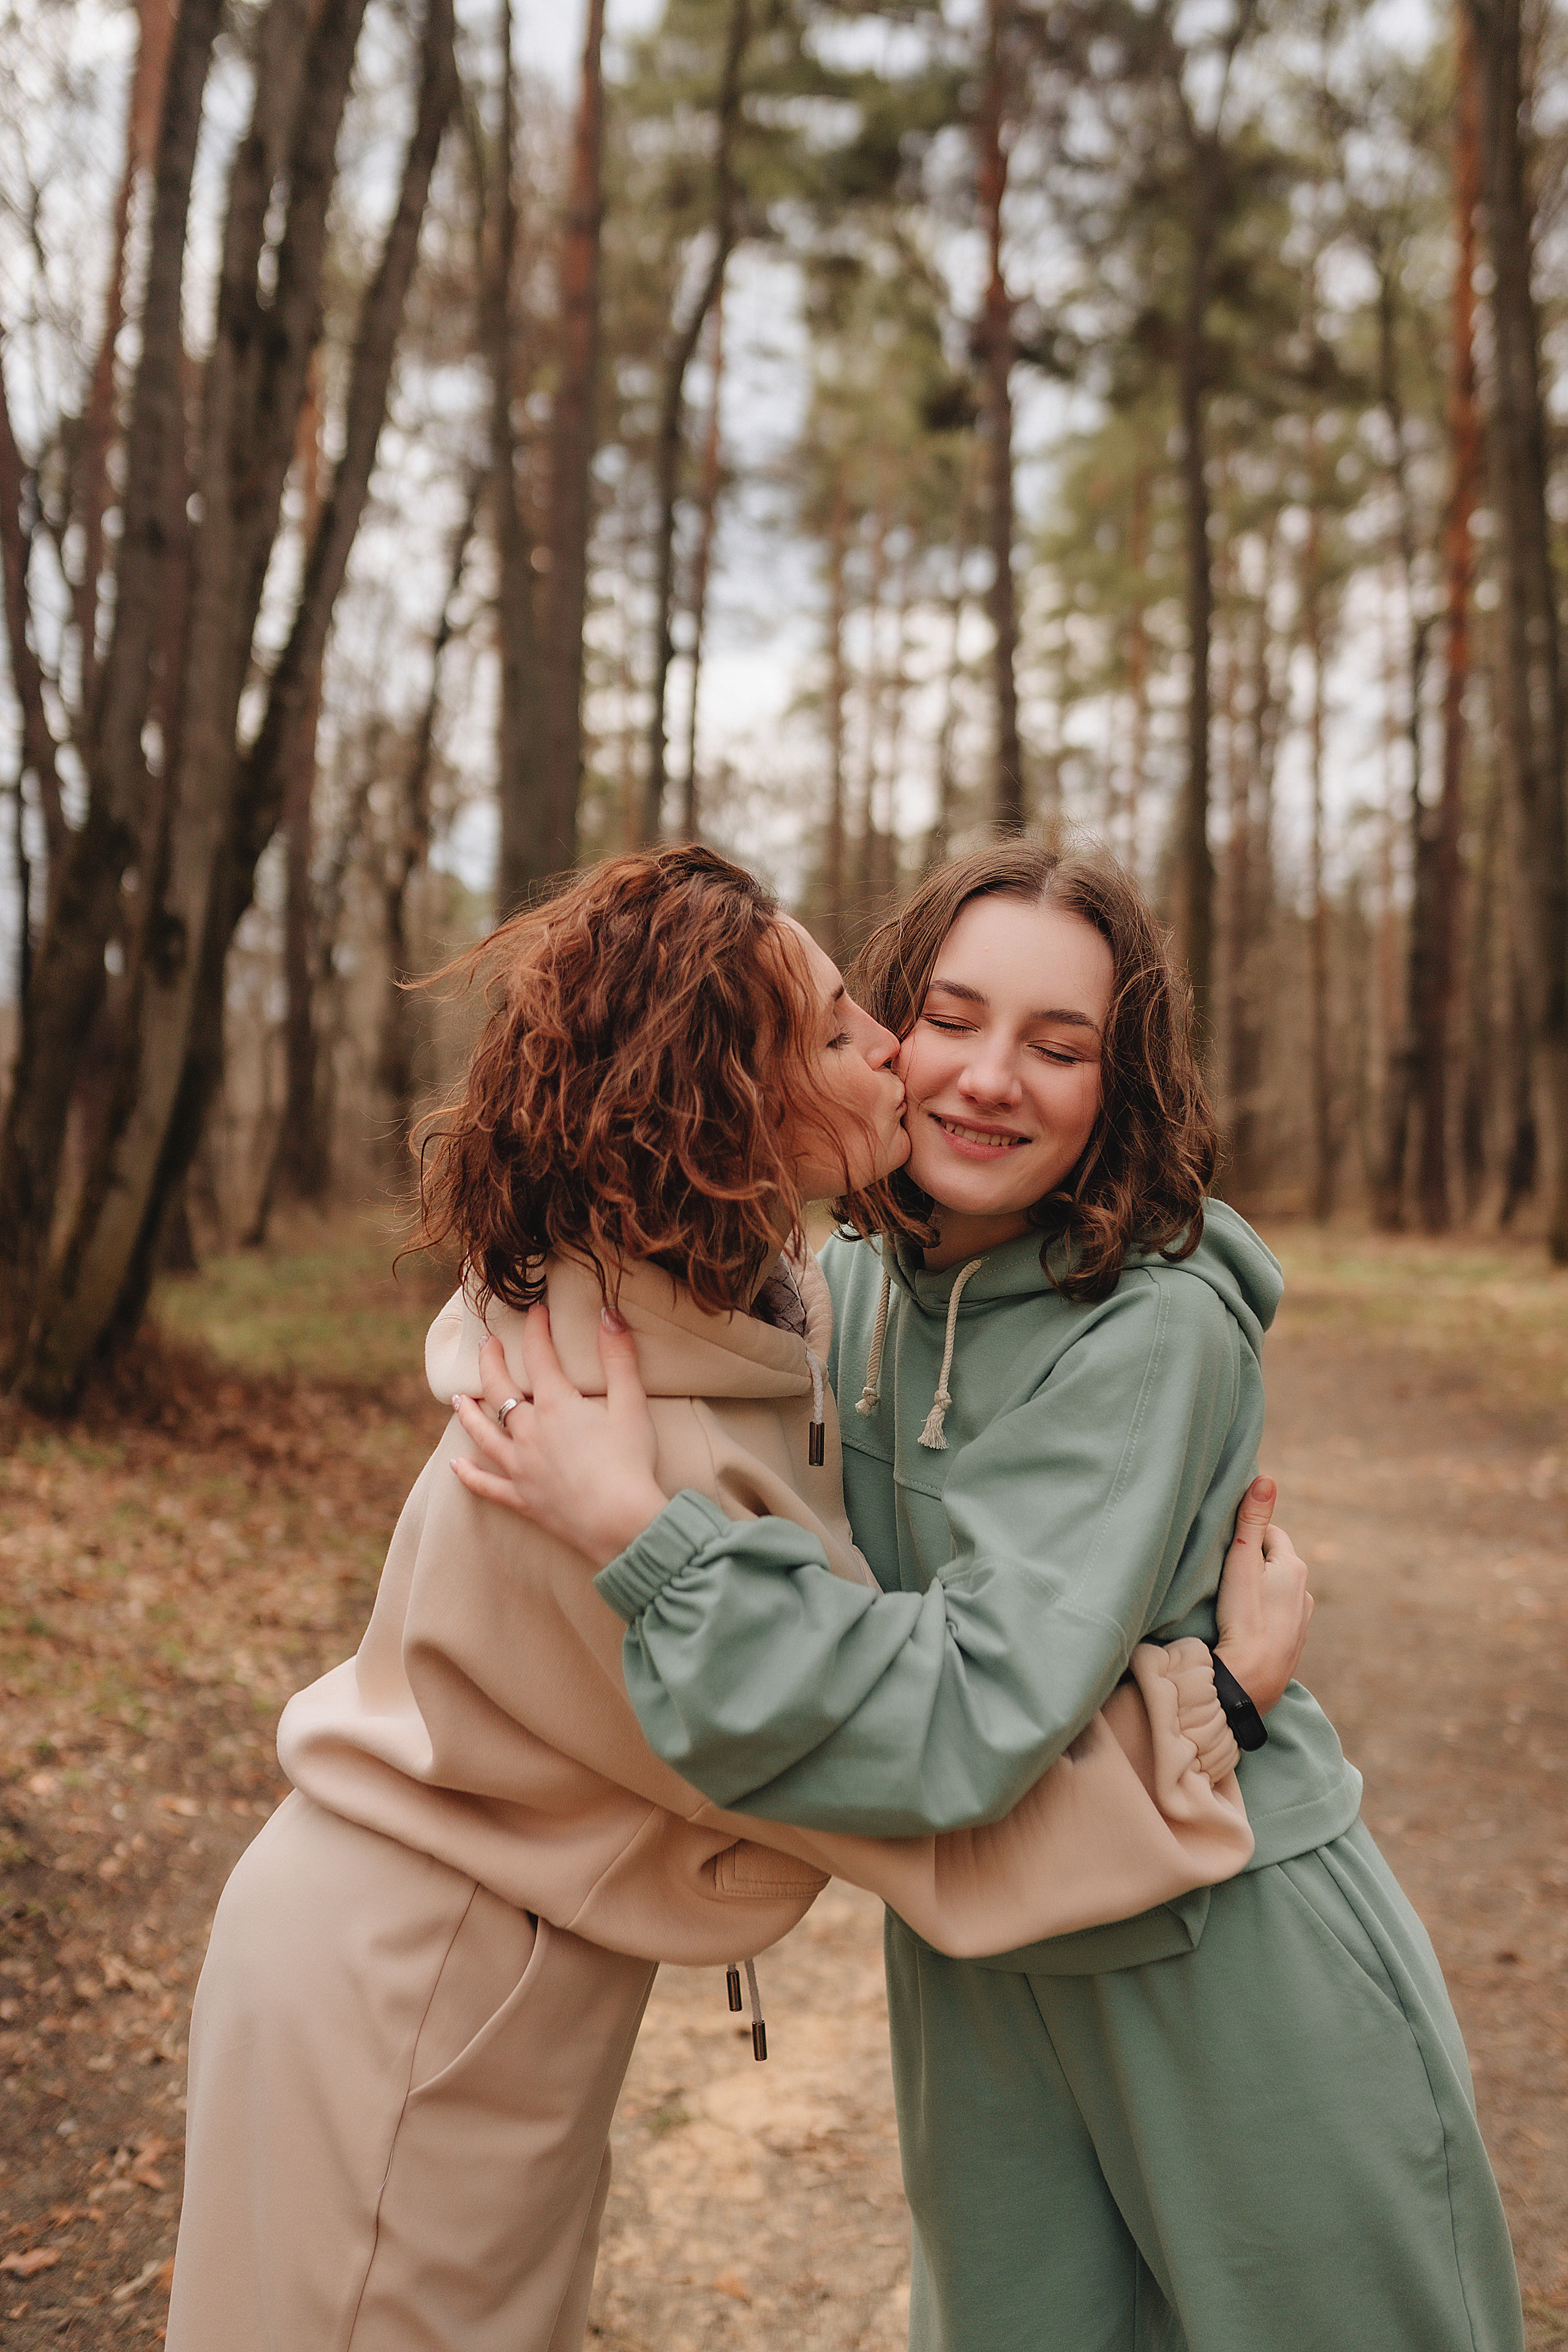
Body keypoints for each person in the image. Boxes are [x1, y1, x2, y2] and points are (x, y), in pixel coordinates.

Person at [165, 845, 1306, 2352]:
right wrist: (1210, 1708)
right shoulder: (610, 1443)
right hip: (413, 1986)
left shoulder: (686, 1297)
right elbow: (906, 1789)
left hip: (473, 1970)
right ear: (729, 1109)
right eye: (840, 1035)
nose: (896, 1049)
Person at [458, 839, 1525, 2352]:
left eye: (1058, 1044)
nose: (986, 1079)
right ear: (884, 1031)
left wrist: (649, 1536)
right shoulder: (858, 1294)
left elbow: (963, 1707)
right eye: (951, 1019)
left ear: (1118, 1085)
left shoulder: (1151, 1334)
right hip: (977, 1964)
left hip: (1220, 1953)